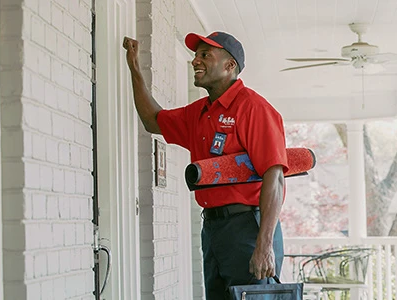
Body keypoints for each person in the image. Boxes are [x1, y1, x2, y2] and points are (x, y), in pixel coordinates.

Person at [123, 31, 289, 299]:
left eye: (204, 55)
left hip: (248, 226)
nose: (195, 61)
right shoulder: (199, 112)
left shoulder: (253, 108)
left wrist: (264, 244)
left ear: (229, 65)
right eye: (195, 55)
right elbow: (152, 120)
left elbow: (275, 177)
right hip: (213, 229)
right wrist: (134, 68)